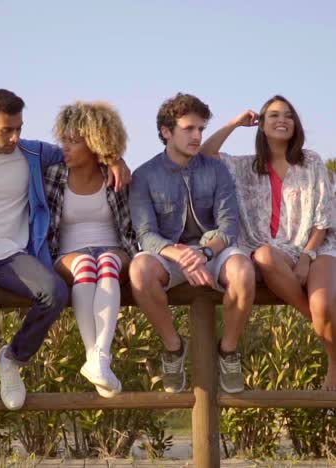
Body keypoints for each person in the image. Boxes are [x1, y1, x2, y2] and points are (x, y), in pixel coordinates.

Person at [0, 89, 130, 410]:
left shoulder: (32, 153)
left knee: (54, 293)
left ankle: (13, 359)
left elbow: (86, 147)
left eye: (19, 128)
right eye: (7, 130)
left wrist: (116, 159)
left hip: (14, 255)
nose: (15, 137)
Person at [201, 95, 336, 391]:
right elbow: (205, 152)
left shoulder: (310, 161)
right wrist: (236, 123)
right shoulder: (245, 167)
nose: (282, 120)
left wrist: (306, 257)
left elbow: (324, 216)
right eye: (273, 115)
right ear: (261, 125)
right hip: (273, 249)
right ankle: (322, 331)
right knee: (262, 256)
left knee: (324, 304)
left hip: (317, 244)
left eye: (288, 115)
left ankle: (333, 358)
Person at [129, 93, 255, 394]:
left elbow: (228, 226)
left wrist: (204, 252)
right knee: (139, 270)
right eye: (189, 129)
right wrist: (182, 255)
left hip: (214, 250)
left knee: (244, 272)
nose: (197, 136)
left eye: (200, 128)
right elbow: (145, 234)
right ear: (166, 132)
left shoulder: (217, 170)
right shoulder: (144, 175)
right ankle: (174, 348)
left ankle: (228, 351)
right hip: (169, 254)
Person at [45, 101, 138, 397]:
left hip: (114, 249)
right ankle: (94, 357)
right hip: (69, 255)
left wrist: (116, 161)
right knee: (86, 263)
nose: (66, 148)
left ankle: (100, 358)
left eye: (74, 141)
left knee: (107, 261)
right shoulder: (53, 175)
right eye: (65, 140)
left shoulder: (116, 175)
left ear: (95, 143)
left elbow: (129, 228)